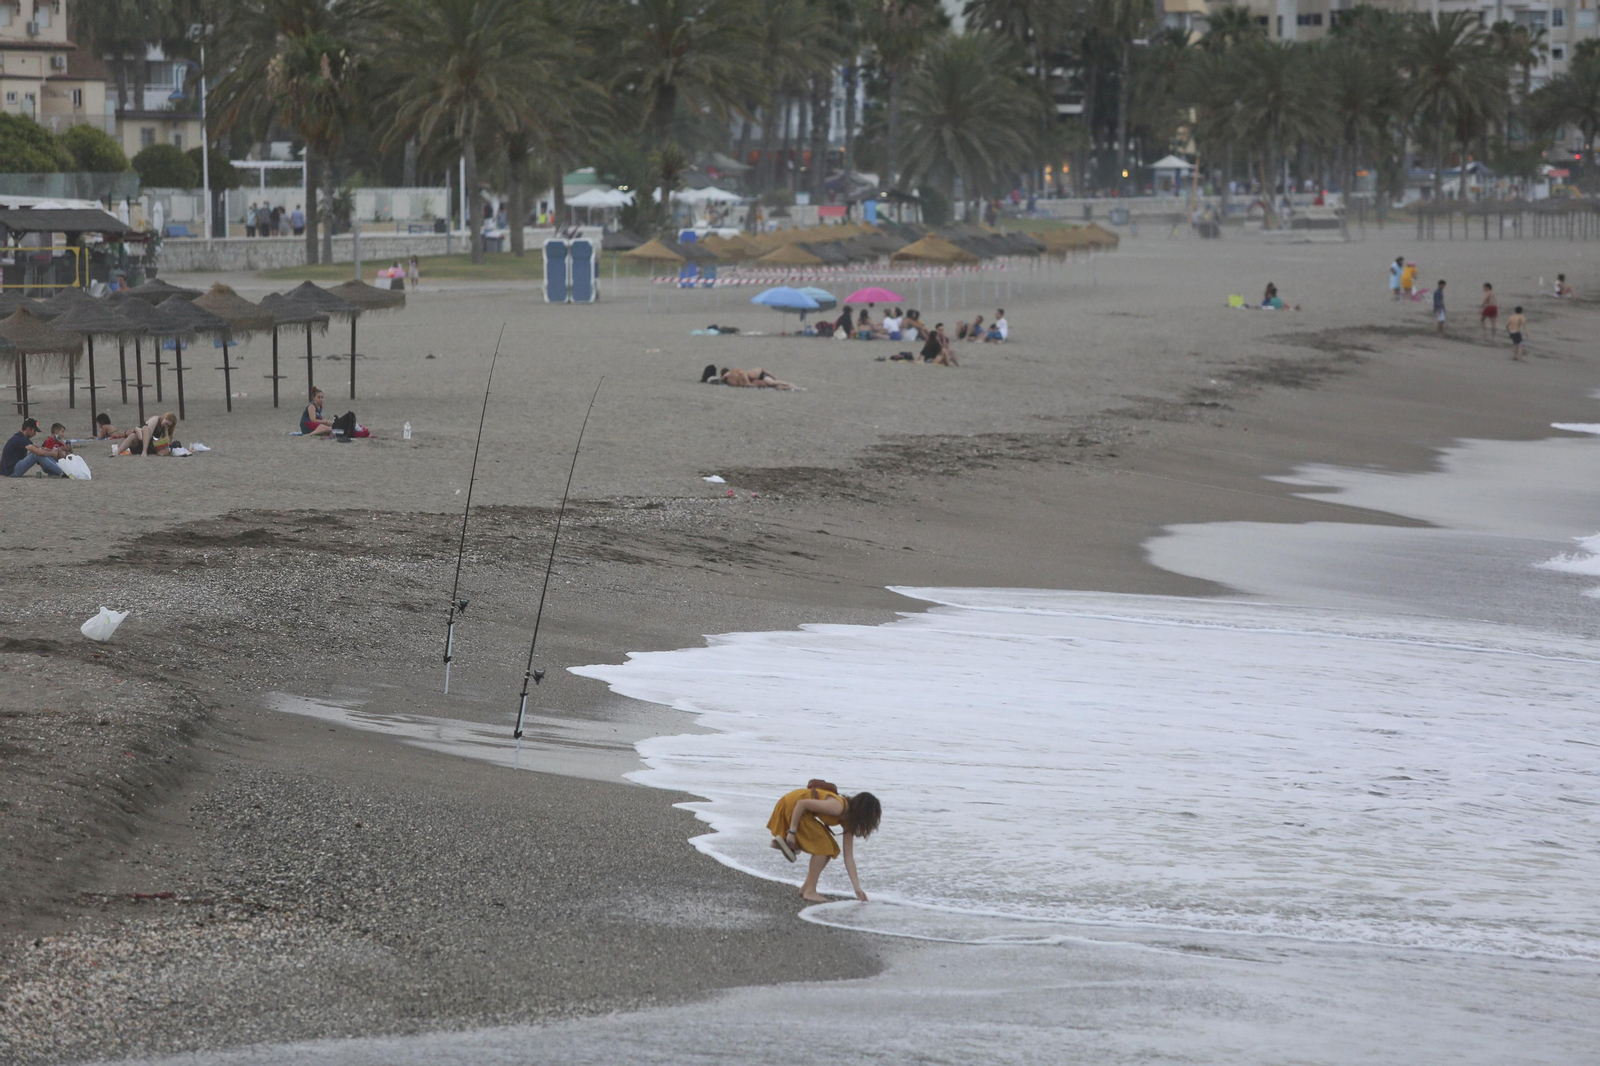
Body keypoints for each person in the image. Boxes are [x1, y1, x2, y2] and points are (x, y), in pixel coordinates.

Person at [766, 779, 882, 902]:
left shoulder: (848, 822)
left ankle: (806, 887)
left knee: (830, 848)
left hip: (801, 811)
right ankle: (810, 891)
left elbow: (849, 857)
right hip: (791, 806)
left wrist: (857, 888)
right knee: (823, 847)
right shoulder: (838, 807)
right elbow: (801, 804)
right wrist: (791, 832)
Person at [114, 412, 178, 456]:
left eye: (168, 426)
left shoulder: (164, 428)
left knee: (167, 445)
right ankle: (117, 452)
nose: (166, 425)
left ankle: (137, 431)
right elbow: (148, 435)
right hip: (139, 440)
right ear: (164, 418)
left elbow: (167, 442)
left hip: (146, 444)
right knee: (138, 433)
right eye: (166, 423)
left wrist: (166, 430)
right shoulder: (155, 419)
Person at [718, 366, 801, 390]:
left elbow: (763, 369)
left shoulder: (733, 373)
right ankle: (792, 387)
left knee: (772, 383)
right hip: (760, 377)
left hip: (763, 375)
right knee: (776, 387)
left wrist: (775, 377)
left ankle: (789, 384)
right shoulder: (738, 377)